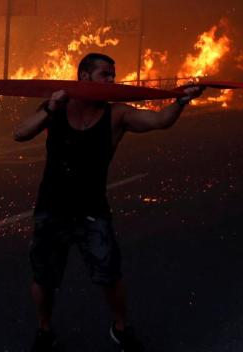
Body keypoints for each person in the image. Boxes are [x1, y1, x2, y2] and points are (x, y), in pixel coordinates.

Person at [12, 53, 205, 352]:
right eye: (105, 74)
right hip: (52, 207)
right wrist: (50, 107)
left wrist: (181, 101)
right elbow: (20, 134)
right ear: (84, 77)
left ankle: (121, 327)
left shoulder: (117, 114)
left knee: (110, 276)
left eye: (113, 74)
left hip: (92, 210)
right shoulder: (57, 108)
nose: (112, 80)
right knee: (44, 277)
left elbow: (159, 121)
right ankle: (45, 330)